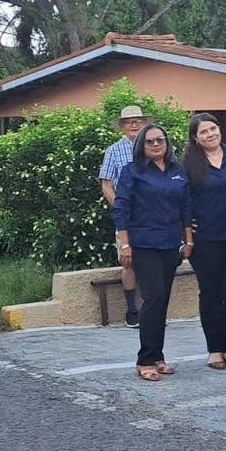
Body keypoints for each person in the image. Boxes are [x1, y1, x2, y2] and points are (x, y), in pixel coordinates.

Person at [114, 123, 193, 381]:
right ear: (142, 145)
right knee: (153, 297)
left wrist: (188, 241)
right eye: (150, 141)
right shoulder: (132, 171)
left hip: (171, 244)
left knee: (162, 301)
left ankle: (158, 356)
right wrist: (125, 244)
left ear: (167, 143)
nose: (156, 144)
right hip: (144, 244)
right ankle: (145, 359)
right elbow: (121, 209)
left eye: (160, 140)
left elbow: (186, 209)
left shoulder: (177, 170)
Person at [181, 112, 226, 370]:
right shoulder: (188, 163)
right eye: (204, 132)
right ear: (196, 138)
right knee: (211, 294)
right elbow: (182, 199)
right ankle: (214, 350)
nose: (210, 134)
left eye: (213, 129)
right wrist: (186, 228)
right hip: (206, 240)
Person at [99, 104, 148, 327]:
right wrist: (120, 207)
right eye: (129, 122)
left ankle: (152, 309)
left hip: (153, 215)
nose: (134, 125)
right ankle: (132, 311)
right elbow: (106, 185)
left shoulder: (154, 147)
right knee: (128, 261)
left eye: (137, 121)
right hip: (127, 215)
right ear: (122, 126)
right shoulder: (113, 151)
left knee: (152, 261)